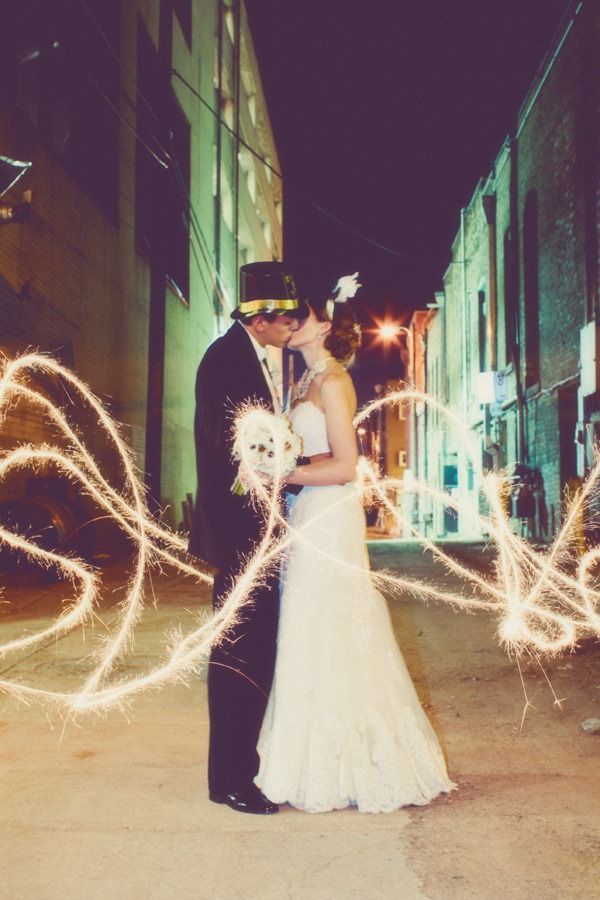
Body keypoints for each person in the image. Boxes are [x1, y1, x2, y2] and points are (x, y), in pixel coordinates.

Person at [254, 294, 455, 813]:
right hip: (305, 514)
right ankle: (304, 759)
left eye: (305, 315)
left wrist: (282, 474)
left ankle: (359, 761)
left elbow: (347, 466)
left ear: (326, 327)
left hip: (328, 514)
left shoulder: (336, 381)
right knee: (303, 626)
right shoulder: (303, 380)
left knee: (330, 621)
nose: (292, 322)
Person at [188, 261, 308, 815]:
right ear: (258, 319)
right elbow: (233, 449)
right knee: (241, 657)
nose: (291, 326)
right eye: (284, 318)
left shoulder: (244, 356)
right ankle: (232, 780)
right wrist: (285, 456)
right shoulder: (226, 360)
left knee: (251, 653)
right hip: (240, 535)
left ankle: (237, 771)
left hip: (251, 532)